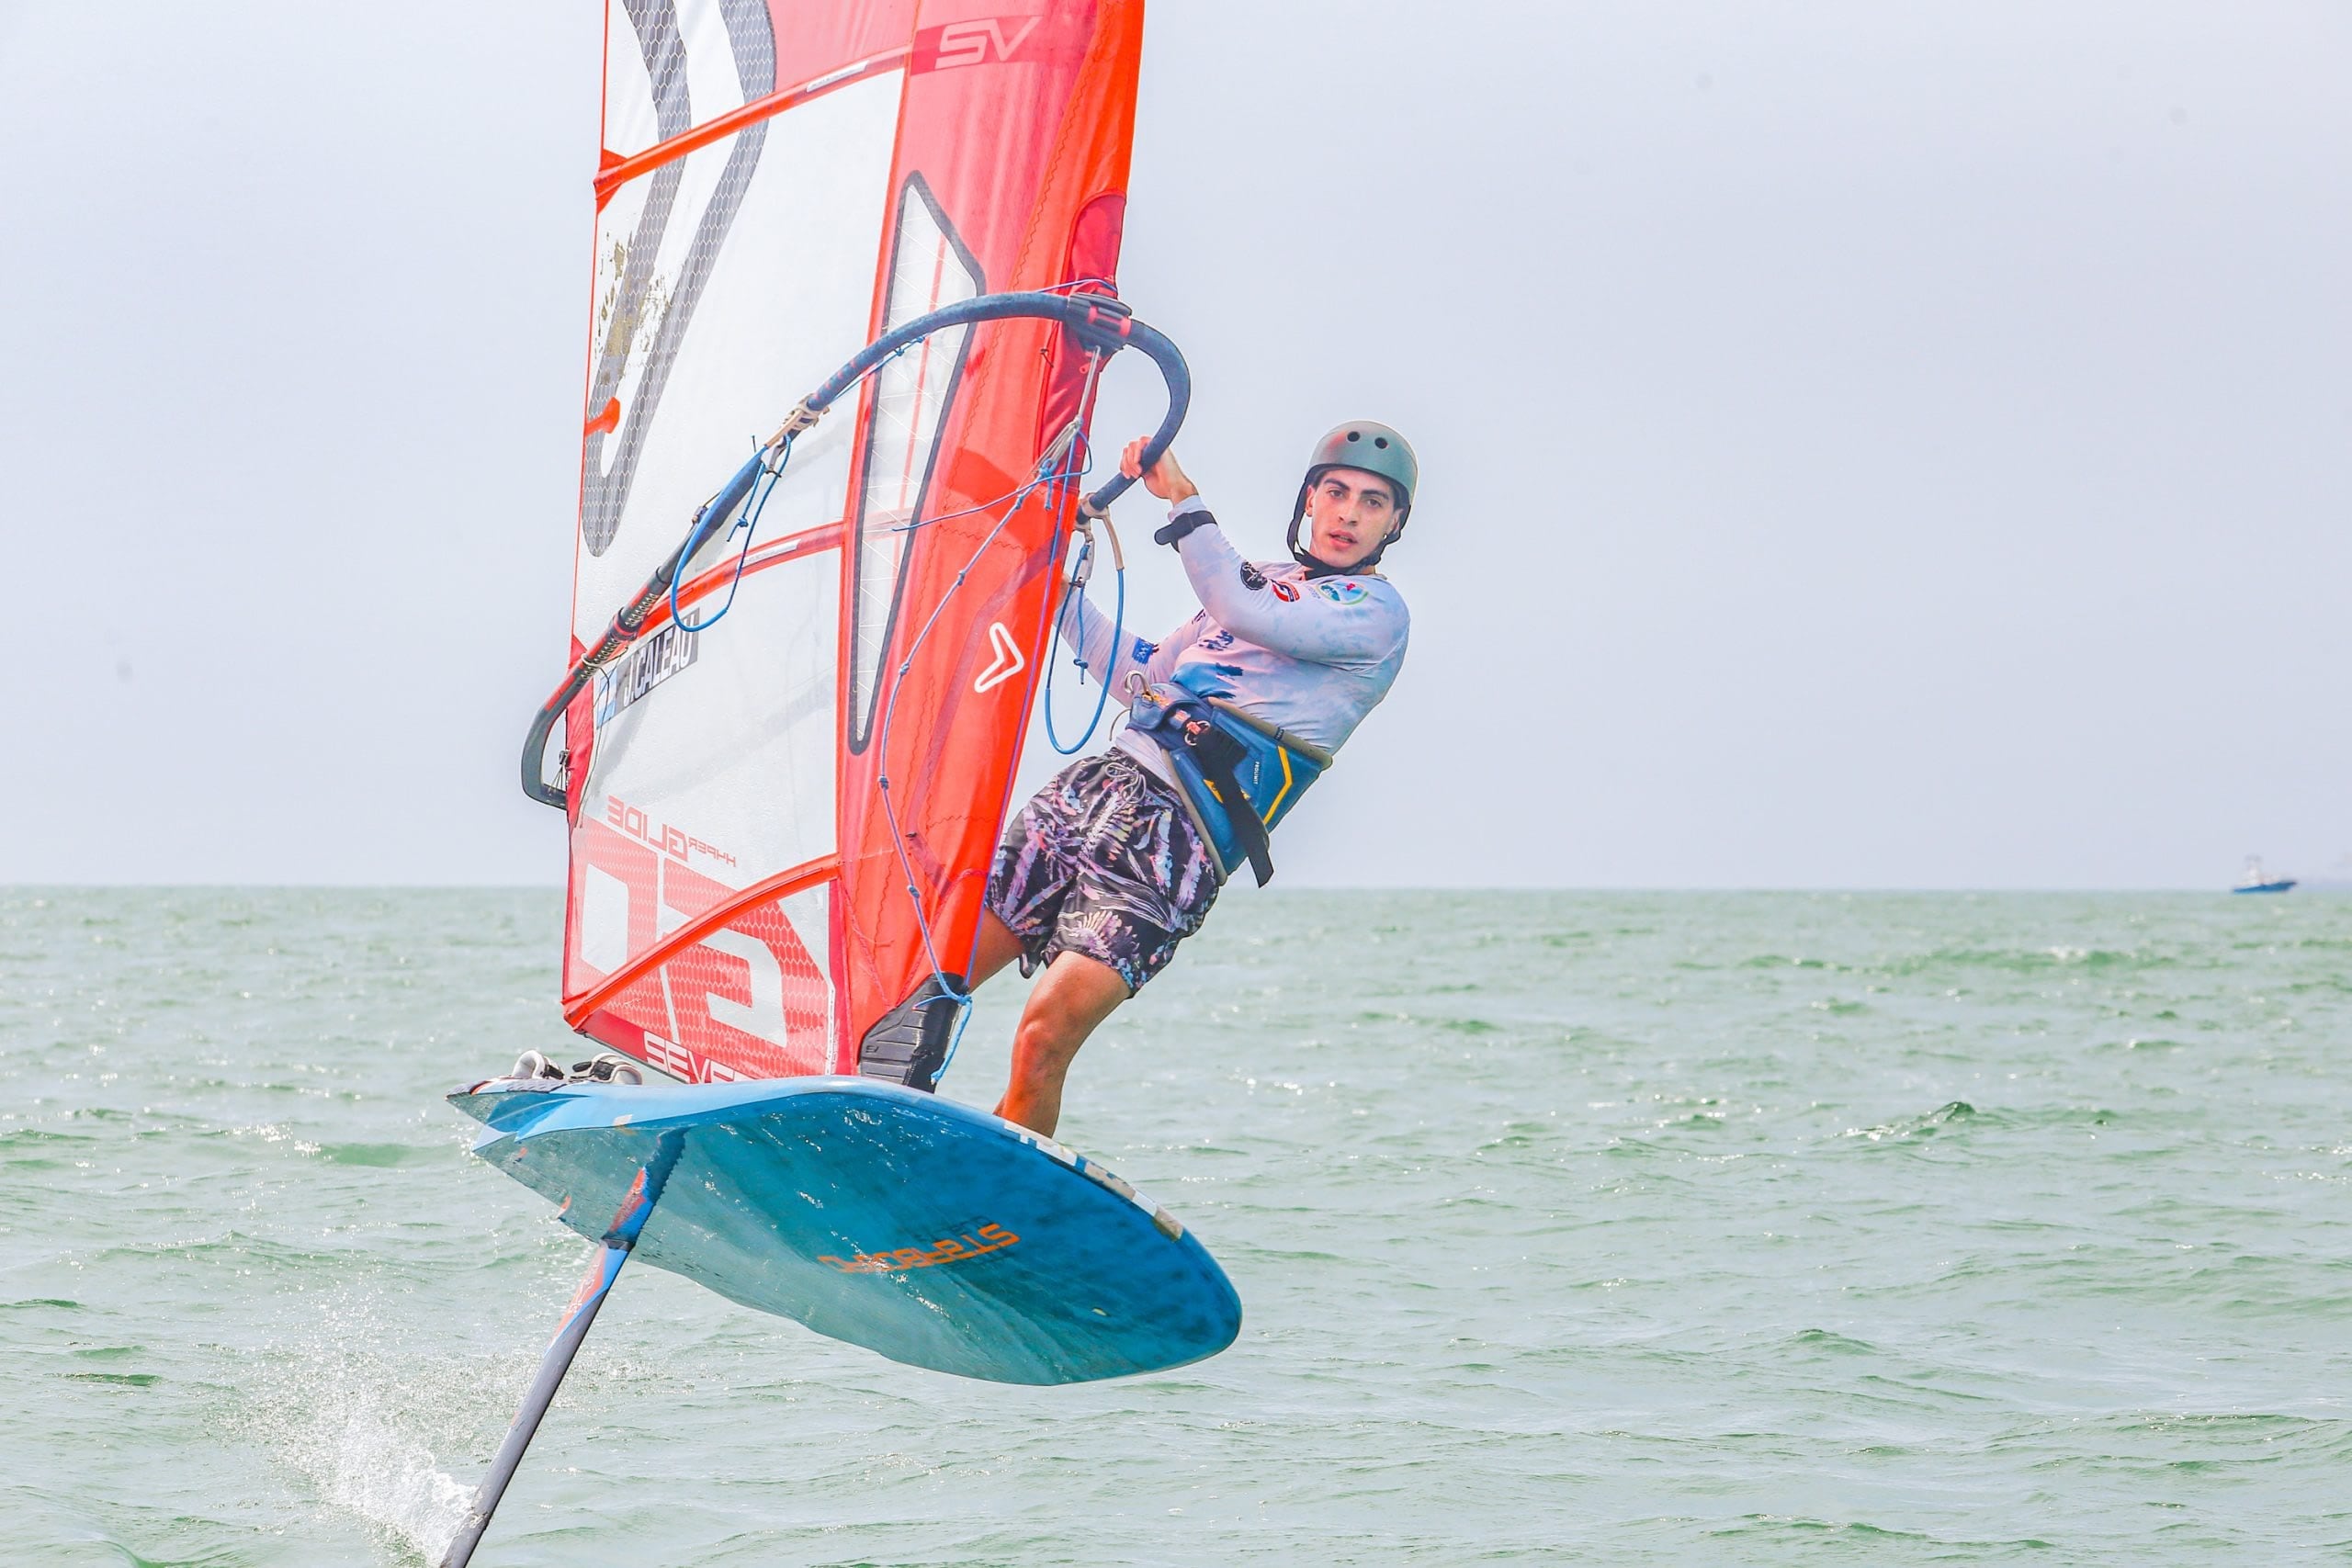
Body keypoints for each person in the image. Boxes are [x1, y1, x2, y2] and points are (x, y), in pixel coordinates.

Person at [858, 422, 1418, 1135]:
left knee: (1042, 1036)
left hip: (1177, 843)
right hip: (1095, 791)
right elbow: (1144, 675)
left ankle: (996, 1212)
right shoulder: (1267, 585)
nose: (1348, 513)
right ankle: (862, 1133)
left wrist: (1181, 498)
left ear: (1394, 523)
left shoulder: (1375, 616)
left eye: (1372, 503)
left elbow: (1241, 605)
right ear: (1310, 498)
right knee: (927, 971)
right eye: (1336, 492)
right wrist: (1054, 589)